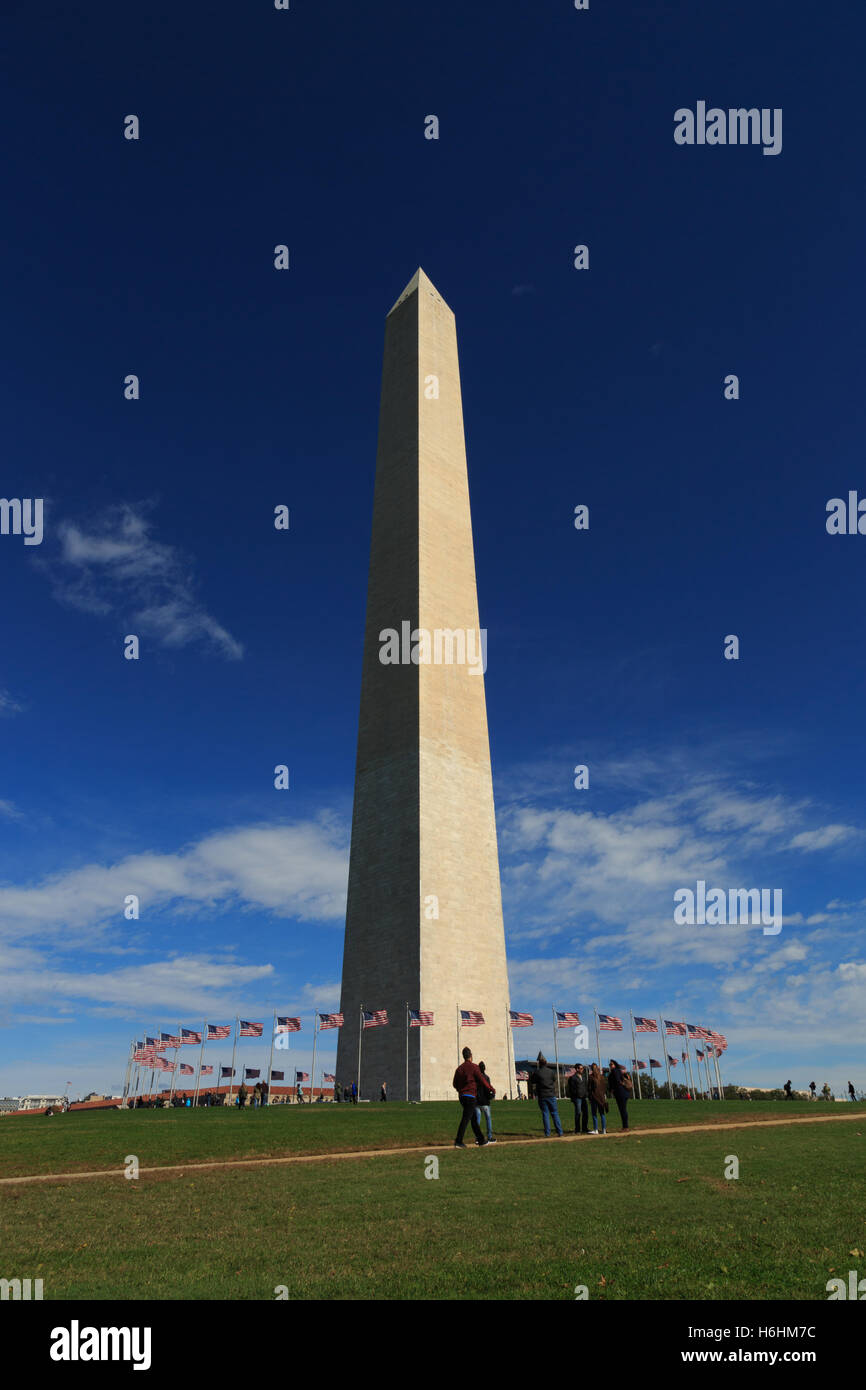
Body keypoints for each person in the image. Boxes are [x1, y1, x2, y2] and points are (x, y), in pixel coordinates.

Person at [452, 1046, 488, 1147]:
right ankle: (458, 1141)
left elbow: (454, 1083)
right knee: (466, 1118)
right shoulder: (474, 1067)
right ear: (471, 1056)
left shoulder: (459, 1069)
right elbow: (482, 1080)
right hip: (470, 1096)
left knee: (473, 1119)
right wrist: (490, 1088)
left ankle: (481, 1140)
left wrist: (460, 1090)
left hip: (462, 1096)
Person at [529, 1053, 563, 1137]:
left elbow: (532, 1081)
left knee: (545, 1114)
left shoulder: (537, 1072)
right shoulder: (551, 1072)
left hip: (542, 1096)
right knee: (555, 1113)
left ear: (539, 1064)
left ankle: (547, 1133)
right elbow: (554, 1080)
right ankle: (560, 1132)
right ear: (546, 1063)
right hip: (551, 1094)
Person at [475, 1061, 496, 1142]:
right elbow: (488, 1089)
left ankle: (478, 1138)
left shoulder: (476, 1078)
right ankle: (489, 1137)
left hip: (477, 1102)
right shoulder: (486, 1078)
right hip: (485, 1102)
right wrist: (491, 1096)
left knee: (478, 1120)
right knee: (488, 1119)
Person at [608, 1059, 632, 1131]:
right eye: (609, 1064)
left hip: (620, 1093)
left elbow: (617, 1081)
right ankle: (625, 1126)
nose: (610, 1066)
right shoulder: (618, 1071)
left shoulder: (615, 1071)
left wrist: (612, 1089)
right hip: (624, 1093)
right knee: (623, 1110)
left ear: (615, 1065)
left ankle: (625, 1127)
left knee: (622, 1110)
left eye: (611, 1064)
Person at [566, 1063, 590, 1134]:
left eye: (583, 1068)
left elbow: (586, 1086)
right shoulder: (573, 1078)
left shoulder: (584, 1076)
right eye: (581, 1068)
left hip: (584, 1098)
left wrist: (586, 1094)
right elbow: (571, 1089)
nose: (582, 1069)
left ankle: (584, 1128)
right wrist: (575, 1096)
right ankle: (577, 1129)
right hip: (577, 1098)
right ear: (577, 1069)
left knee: (586, 1113)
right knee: (578, 1113)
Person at [588, 1062, 608, 1135]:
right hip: (601, 1098)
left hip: (594, 1097)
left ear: (591, 1069)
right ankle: (604, 1130)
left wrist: (589, 1098)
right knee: (602, 1114)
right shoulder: (602, 1077)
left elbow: (589, 1088)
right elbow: (604, 1088)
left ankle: (596, 1129)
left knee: (594, 1114)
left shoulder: (590, 1077)